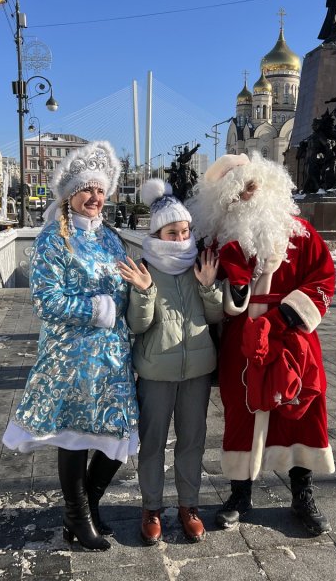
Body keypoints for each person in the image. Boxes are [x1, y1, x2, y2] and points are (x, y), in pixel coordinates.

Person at [187, 152, 336, 537]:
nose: (248, 197)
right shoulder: (217, 242)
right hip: (242, 342)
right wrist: (230, 290)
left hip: (292, 338)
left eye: (252, 186)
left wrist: (288, 316)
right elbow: (206, 293)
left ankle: (302, 493)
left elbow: (323, 279)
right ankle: (241, 494)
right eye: (237, 193)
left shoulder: (300, 231)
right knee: (242, 414)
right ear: (226, 201)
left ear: (267, 184)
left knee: (300, 410)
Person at [2, 140, 138, 552]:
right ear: (70, 195)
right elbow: (46, 301)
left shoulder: (112, 239)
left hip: (112, 357)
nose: (95, 198)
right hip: (70, 357)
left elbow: (125, 288)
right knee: (74, 437)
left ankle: (87, 508)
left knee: (115, 437)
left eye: (100, 190)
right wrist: (96, 309)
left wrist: (141, 294)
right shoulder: (52, 240)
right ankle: (78, 516)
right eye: (87, 190)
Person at [118, 178, 223, 545]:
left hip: (196, 371)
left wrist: (210, 287)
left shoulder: (200, 265)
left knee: (192, 441)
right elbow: (136, 325)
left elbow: (214, 318)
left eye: (185, 231)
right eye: (173, 232)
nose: (181, 238)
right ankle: (151, 508)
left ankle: (188, 506)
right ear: (158, 233)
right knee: (152, 442)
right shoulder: (147, 269)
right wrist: (144, 293)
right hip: (155, 372)